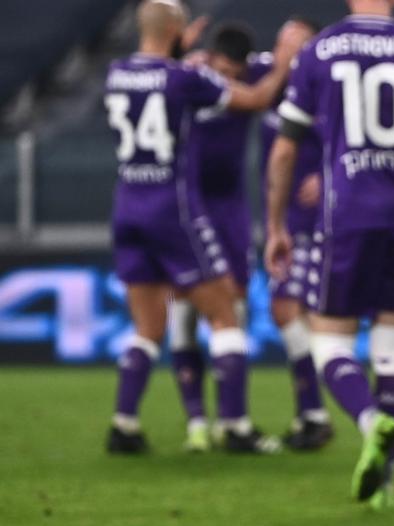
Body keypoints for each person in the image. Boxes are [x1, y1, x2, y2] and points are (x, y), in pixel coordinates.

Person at [265, 0, 394, 507]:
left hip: (345, 216)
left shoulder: (320, 51)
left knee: (331, 346)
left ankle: (368, 421)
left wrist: (275, 224)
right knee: (391, 350)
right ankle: (386, 482)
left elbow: (284, 148)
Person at [104, 0, 301, 454]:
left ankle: (124, 424)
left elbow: (150, 77)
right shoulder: (184, 78)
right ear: (177, 28)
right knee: (225, 315)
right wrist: (284, 66)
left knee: (148, 326)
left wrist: (174, 47)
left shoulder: (116, 73)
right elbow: (253, 100)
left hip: (126, 208)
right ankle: (235, 427)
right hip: (171, 210)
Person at [168, 21, 303, 453]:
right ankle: (197, 424)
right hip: (188, 207)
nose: (225, 78)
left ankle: (232, 421)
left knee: (237, 309)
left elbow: (294, 77)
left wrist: (287, 56)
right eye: (220, 68)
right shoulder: (192, 75)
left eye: (232, 71)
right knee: (184, 312)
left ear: (243, 65)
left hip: (229, 210)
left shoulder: (258, 70)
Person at [258, 16, 335, 452]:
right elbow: (224, 68)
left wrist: (328, 178)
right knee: (293, 315)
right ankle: (314, 414)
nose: (286, 52)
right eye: (281, 43)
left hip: (313, 224)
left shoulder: (324, 94)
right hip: (283, 221)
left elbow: (350, 145)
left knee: (287, 309)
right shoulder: (266, 77)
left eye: (296, 45)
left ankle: (316, 413)